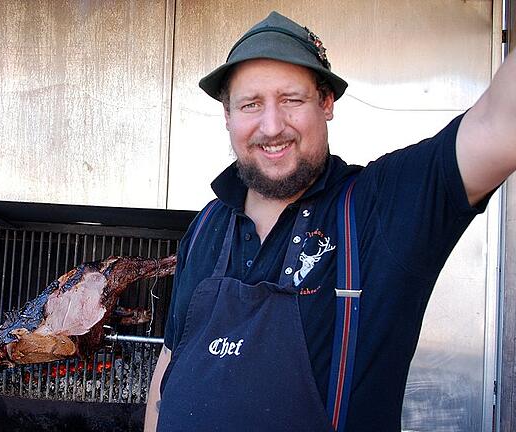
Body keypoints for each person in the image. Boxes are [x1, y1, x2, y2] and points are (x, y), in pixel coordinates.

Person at [144, 10, 516, 432]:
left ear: (326, 103)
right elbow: (168, 373)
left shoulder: (381, 208)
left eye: (291, 100)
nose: (271, 126)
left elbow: (501, 123)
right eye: (251, 104)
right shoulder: (206, 225)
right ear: (227, 115)